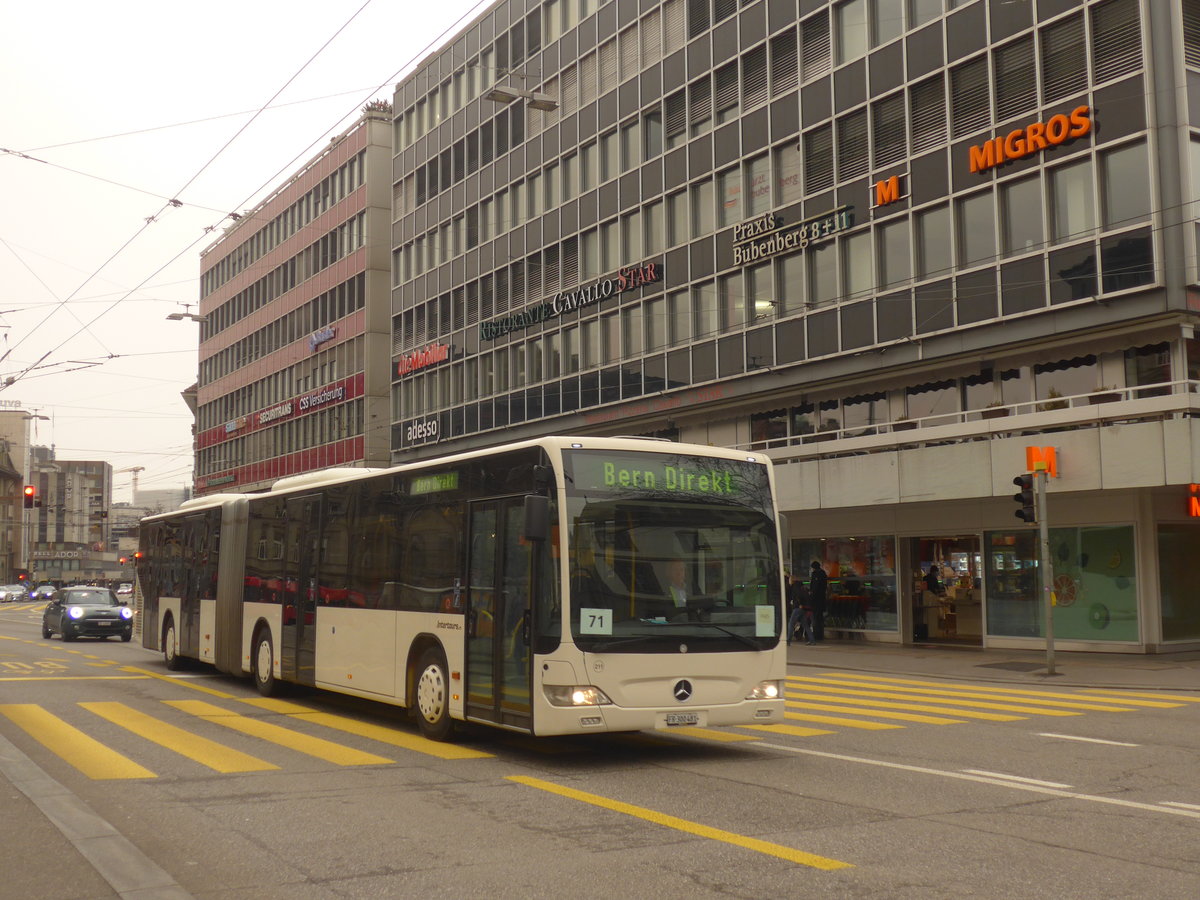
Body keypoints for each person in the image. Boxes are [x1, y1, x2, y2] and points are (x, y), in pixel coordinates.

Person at [786, 572, 814, 645]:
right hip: (803, 608)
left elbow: (798, 596)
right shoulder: (801, 586)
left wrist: (799, 603)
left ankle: (788, 640)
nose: (788, 581)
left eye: (789, 580)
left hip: (797, 608)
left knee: (791, 624)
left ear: (792, 580)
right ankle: (812, 640)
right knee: (805, 625)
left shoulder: (795, 587)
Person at [808, 561, 828, 642]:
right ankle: (820, 634)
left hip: (816, 600)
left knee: (815, 617)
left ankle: (816, 635)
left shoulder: (816, 574)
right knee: (820, 617)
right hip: (822, 599)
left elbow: (814, 587)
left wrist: (811, 593)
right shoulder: (823, 573)